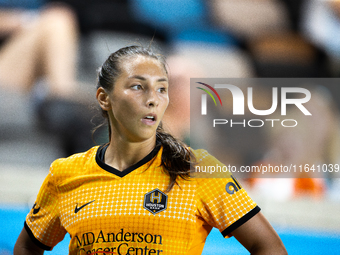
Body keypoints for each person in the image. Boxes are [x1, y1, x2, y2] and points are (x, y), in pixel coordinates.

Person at [14, 45, 287, 255]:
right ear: (103, 98)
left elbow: (270, 248)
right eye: (137, 87)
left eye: (162, 89)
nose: (153, 100)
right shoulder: (65, 174)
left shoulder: (197, 168)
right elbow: (27, 247)